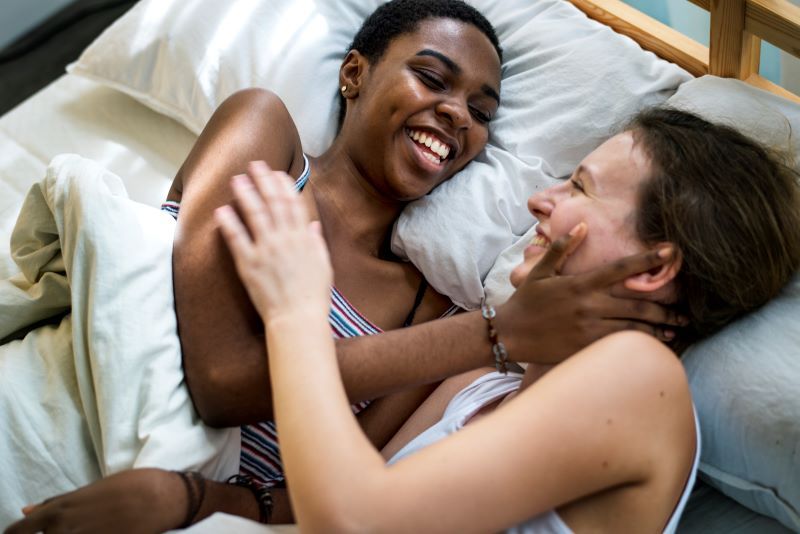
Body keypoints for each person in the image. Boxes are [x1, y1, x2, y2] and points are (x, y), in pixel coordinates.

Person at [9, 108, 799, 533]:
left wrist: (293, 305)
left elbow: (353, 522)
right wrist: (187, 499)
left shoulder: (642, 379)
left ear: (655, 269)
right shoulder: (488, 375)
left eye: (582, 188)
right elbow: (317, 495)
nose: (541, 199)